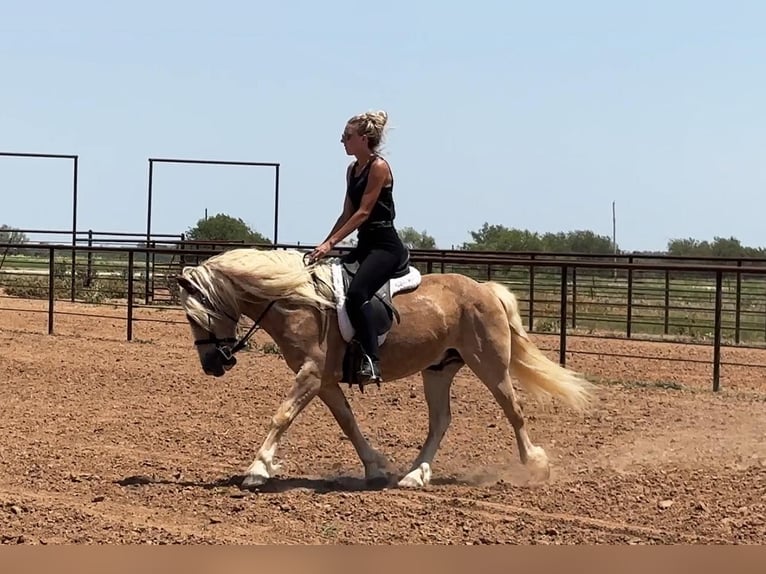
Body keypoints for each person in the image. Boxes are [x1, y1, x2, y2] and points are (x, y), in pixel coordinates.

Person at [308, 110, 408, 384]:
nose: (343, 141)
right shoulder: (352, 169)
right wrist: (324, 244)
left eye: (347, 136)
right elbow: (346, 213)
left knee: (356, 294)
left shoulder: (379, 167)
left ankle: (372, 360)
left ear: (363, 139)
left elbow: (363, 213)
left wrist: (331, 243)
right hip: (365, 245)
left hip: (385, 247)